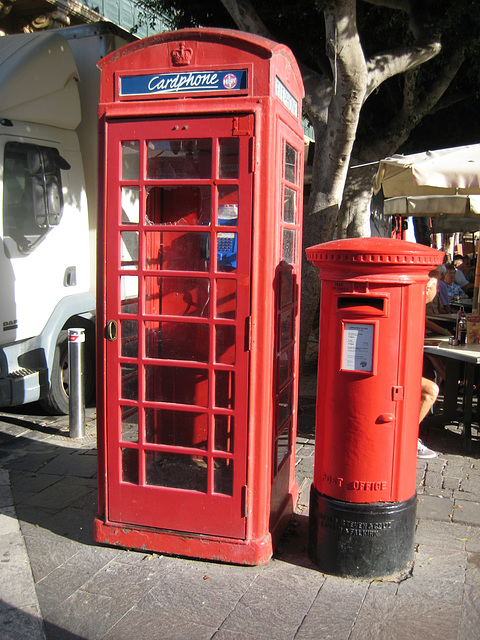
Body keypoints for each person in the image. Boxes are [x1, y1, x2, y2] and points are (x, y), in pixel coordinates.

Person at [418, 275, 451, 459]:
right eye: (435, 288)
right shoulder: (414, 304)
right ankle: (408, 439)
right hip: (391, 371)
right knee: (430, 390)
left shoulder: (414, 305)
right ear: (426, 289)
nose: (437, 292)